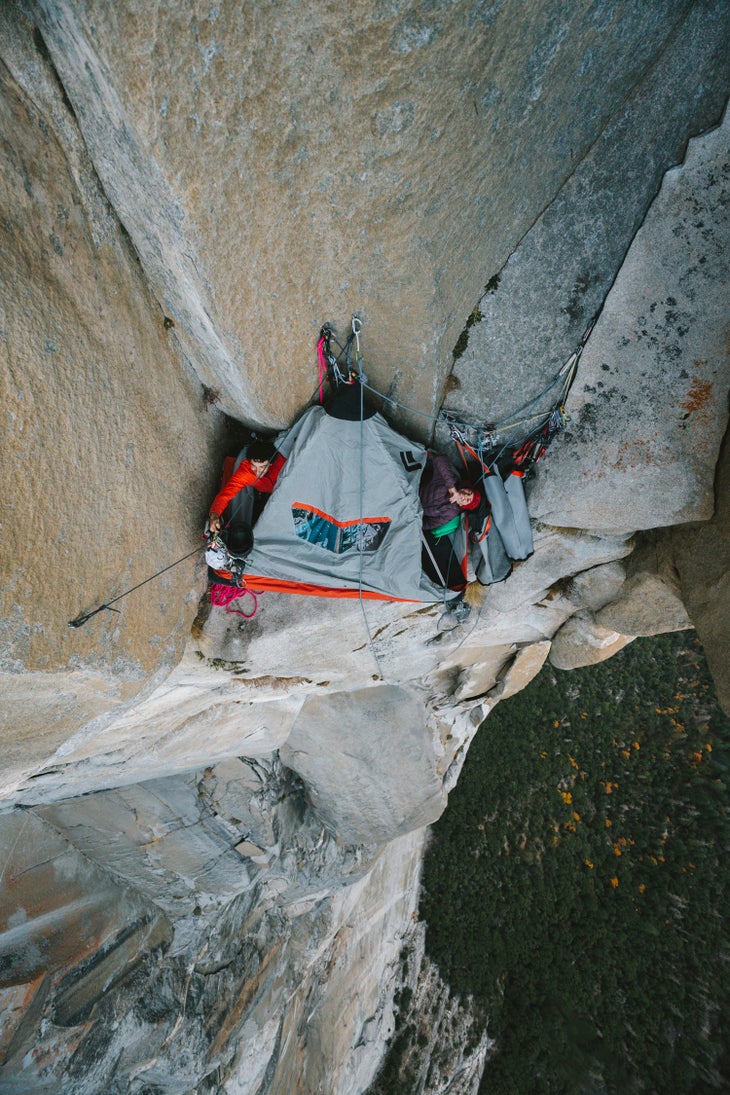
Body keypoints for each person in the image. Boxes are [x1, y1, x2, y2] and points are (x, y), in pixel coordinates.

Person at [419, 453, 480, 588]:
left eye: (468, 500)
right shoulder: (450, 481)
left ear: (465, 506)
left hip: (410, 512)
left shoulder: (451, 514)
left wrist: (414, 523)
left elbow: (429, 524)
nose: (465, 496)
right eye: (468, 492)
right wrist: (452, 488)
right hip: (409, 491)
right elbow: (439, 458)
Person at [208, 439, 285, 534]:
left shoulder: (283, 464)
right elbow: (226, 494)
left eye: (262, 467)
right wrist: (215, 514)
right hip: (263, 492)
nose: (257, 471)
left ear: (270, 463)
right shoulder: (245, 471)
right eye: (254, 466)